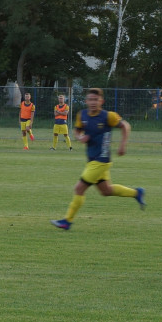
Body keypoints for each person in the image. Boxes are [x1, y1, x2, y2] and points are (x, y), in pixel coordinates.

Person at [51, 88, 145, 230]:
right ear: (86, 101)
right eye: (90, 99)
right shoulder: (82, 115)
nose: (93, 102)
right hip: (92, 159)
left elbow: (125, 126)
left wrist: (123, 145)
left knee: (79, 188)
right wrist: (80, 137)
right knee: (106, 191)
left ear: (101, 101)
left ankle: (67, 221)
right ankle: (136, 193)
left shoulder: (108, 116)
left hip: (102, 160)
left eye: (96, 100)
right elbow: (77, 130)